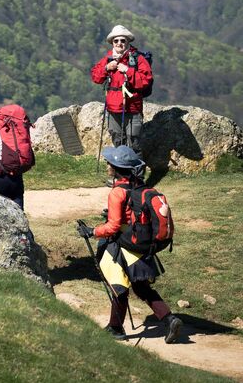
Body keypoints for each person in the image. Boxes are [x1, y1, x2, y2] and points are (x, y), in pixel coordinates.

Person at [77, 145, 182, 343]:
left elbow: (113, 227)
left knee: (119, 285)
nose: (107, 166)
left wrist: (92, 232)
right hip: (140, 245)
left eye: (109, 163)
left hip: (123, 245)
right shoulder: (139, 185)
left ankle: (116, 328)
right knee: (141, 287)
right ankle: (170, 320)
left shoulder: (117, 192)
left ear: (116, 168)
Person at [91, 24, 152, 151]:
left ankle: (135, 165)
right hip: (113, 109)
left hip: (132, 108)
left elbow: (146, 80)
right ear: (112, 43)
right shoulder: (108, 59)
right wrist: (106, 68)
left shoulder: (138, 59)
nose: (119, 43)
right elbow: (96, 77)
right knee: (117, 140)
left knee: (134, 143)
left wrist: (128, 71)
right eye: (116, 41)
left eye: (123, 40)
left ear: (128, 41)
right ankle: (120, 164)